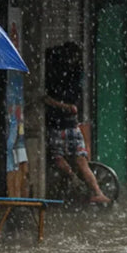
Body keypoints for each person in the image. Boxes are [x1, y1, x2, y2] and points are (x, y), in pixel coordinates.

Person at [44, 42, 110, 204]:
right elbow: (74, 103)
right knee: (81, 161)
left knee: (59, 158)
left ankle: (75, 180)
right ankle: (97, 192)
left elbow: (50, 100)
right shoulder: (76, 75)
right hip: (72, 125)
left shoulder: (54, 75)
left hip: (57, 126)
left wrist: (56, 104)